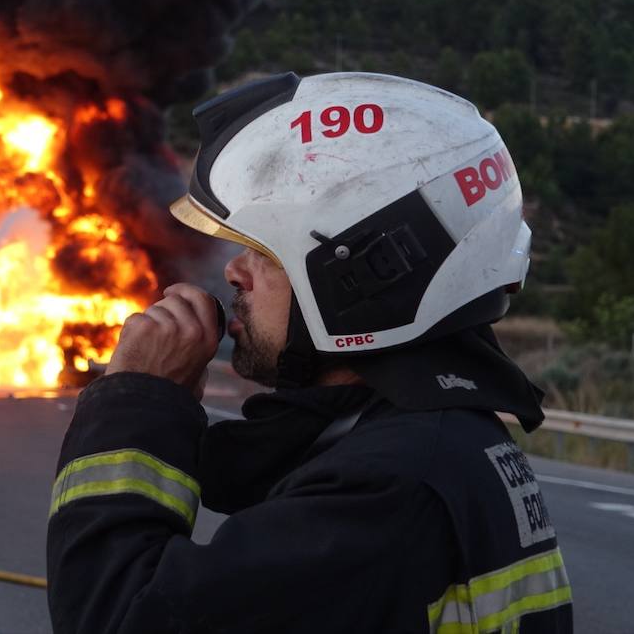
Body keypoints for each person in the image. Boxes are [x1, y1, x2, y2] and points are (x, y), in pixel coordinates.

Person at [47, 72, 573, 633]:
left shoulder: (383, 493)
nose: (233, 272)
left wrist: (136, 403)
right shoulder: (432, 439)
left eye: (263, 253)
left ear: (361, 277)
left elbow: (117, 618)